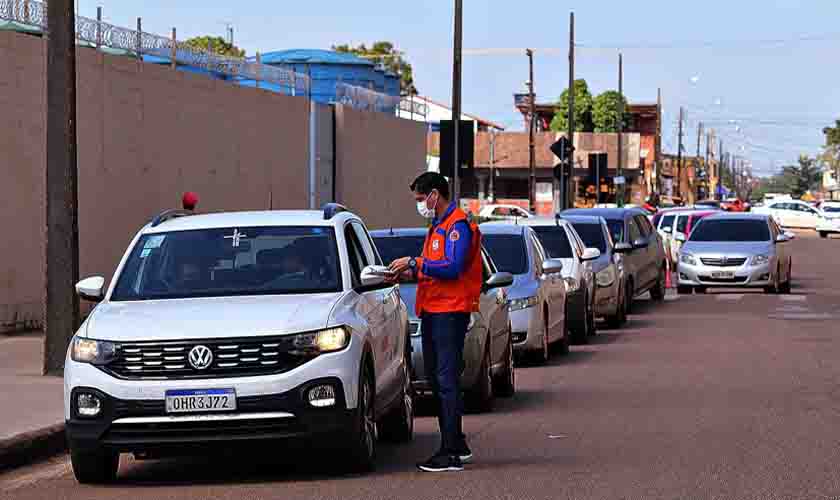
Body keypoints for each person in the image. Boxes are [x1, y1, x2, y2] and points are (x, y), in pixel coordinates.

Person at [388, 172, 484, 473]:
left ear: (434, 195)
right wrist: (407, 272)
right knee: (437, 378)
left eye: (421, 199)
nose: (420, 205)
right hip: (434, 309)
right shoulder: (438, 226)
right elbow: (434, 268)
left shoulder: (457, 225)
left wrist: (415, 262)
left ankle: (450, 452)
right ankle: (457, 444)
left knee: (445, 381)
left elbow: (452, 267)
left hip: (449, 312)